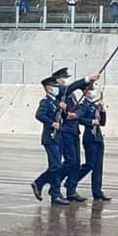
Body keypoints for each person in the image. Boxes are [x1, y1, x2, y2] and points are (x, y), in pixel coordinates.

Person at [31, 76, 70, 206]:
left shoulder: (56, 102)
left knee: (56, 166)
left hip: (58, 138)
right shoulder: (46, 102)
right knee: (56, 166)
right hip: (50, 137)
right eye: (55, 87)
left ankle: (49, 189)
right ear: (48, 88)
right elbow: (39, 115)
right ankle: (47, 188)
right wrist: (52, 123)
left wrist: (64, 109)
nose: (57, 89)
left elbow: (62, 117)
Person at [76, 83, 110, 201]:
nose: (92, 92)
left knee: (98, 166)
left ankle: (97, 191)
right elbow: (79, 118)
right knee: (89, 164)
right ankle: (72, 180)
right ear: (85, 92)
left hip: (98, 138)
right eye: (90, 89)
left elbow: (102, 123)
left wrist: (102, 110)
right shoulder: (83, 105)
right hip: (90, 137)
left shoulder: (93, 105)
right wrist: (91, 122)